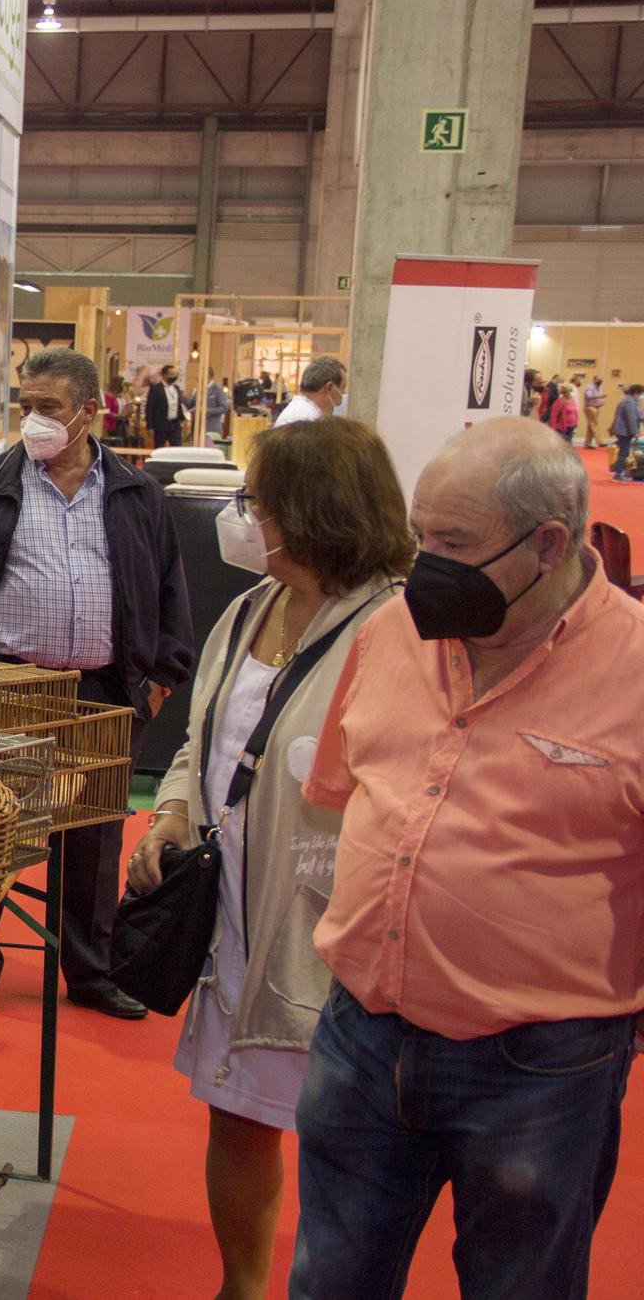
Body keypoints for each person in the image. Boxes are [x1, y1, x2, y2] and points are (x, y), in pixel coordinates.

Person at [290, 417, 644, 1298]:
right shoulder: (387, 636)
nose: (424, 565)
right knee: (330, 1279)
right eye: (420, 536)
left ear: (548, 544)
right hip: (361, 1038)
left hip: (542, 1068)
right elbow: (345, 793)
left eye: (453, 542)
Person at [130, 418, 410, 1300]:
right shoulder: (248, 608)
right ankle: (243, 1285)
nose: (246, 516)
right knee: (238, 1114)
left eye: (259, 502)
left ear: (314, 512)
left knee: (346, 1142)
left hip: (331, 935)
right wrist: (172, 811)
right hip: (232, 920)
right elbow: (203, 738)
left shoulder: (396, 627)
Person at [0, 346, 195, 1020]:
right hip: (0, 688)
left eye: (50, 408)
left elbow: (168, 596)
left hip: (99, 693)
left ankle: (91, 972)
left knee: (94, 841)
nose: (33, 420)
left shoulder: (135, 493)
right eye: (26, 407)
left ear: (91, 413)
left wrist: (150, 690)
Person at [274, 356, 345, 427]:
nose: (344, 394)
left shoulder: (302, 411)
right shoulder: (308, 421)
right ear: (330, 388)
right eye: (343, 388)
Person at [612, 383, 642, 480]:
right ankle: (618, 474)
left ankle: (619, 471)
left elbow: (637, 415)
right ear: (636, 393)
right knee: (624, 452)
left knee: (623, 451)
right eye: (641, 394)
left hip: (623, 430)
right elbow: (631, 419)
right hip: (624, 431)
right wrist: (635, 432)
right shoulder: (629, 402)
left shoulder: (631, 401)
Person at [584, 373, 609, 446]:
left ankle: (587, 444)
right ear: (594, 379)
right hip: (590, 407)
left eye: (601, 380)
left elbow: (602, 396)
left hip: (597, 407)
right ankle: (600, 442)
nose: (600, 381)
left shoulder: (600, 387)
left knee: (591, 426)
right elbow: (589, 396)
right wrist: (601, 396)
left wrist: (602, 401)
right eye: (599, 380)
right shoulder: (589, 387)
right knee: (594, 425)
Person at [205, 372, 232, 440]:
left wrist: (207, 411)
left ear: (208, 376)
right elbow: (190, 403)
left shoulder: (218, 389)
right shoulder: (200, 389)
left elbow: (224, 408)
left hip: (213, 428)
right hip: (200, 429)